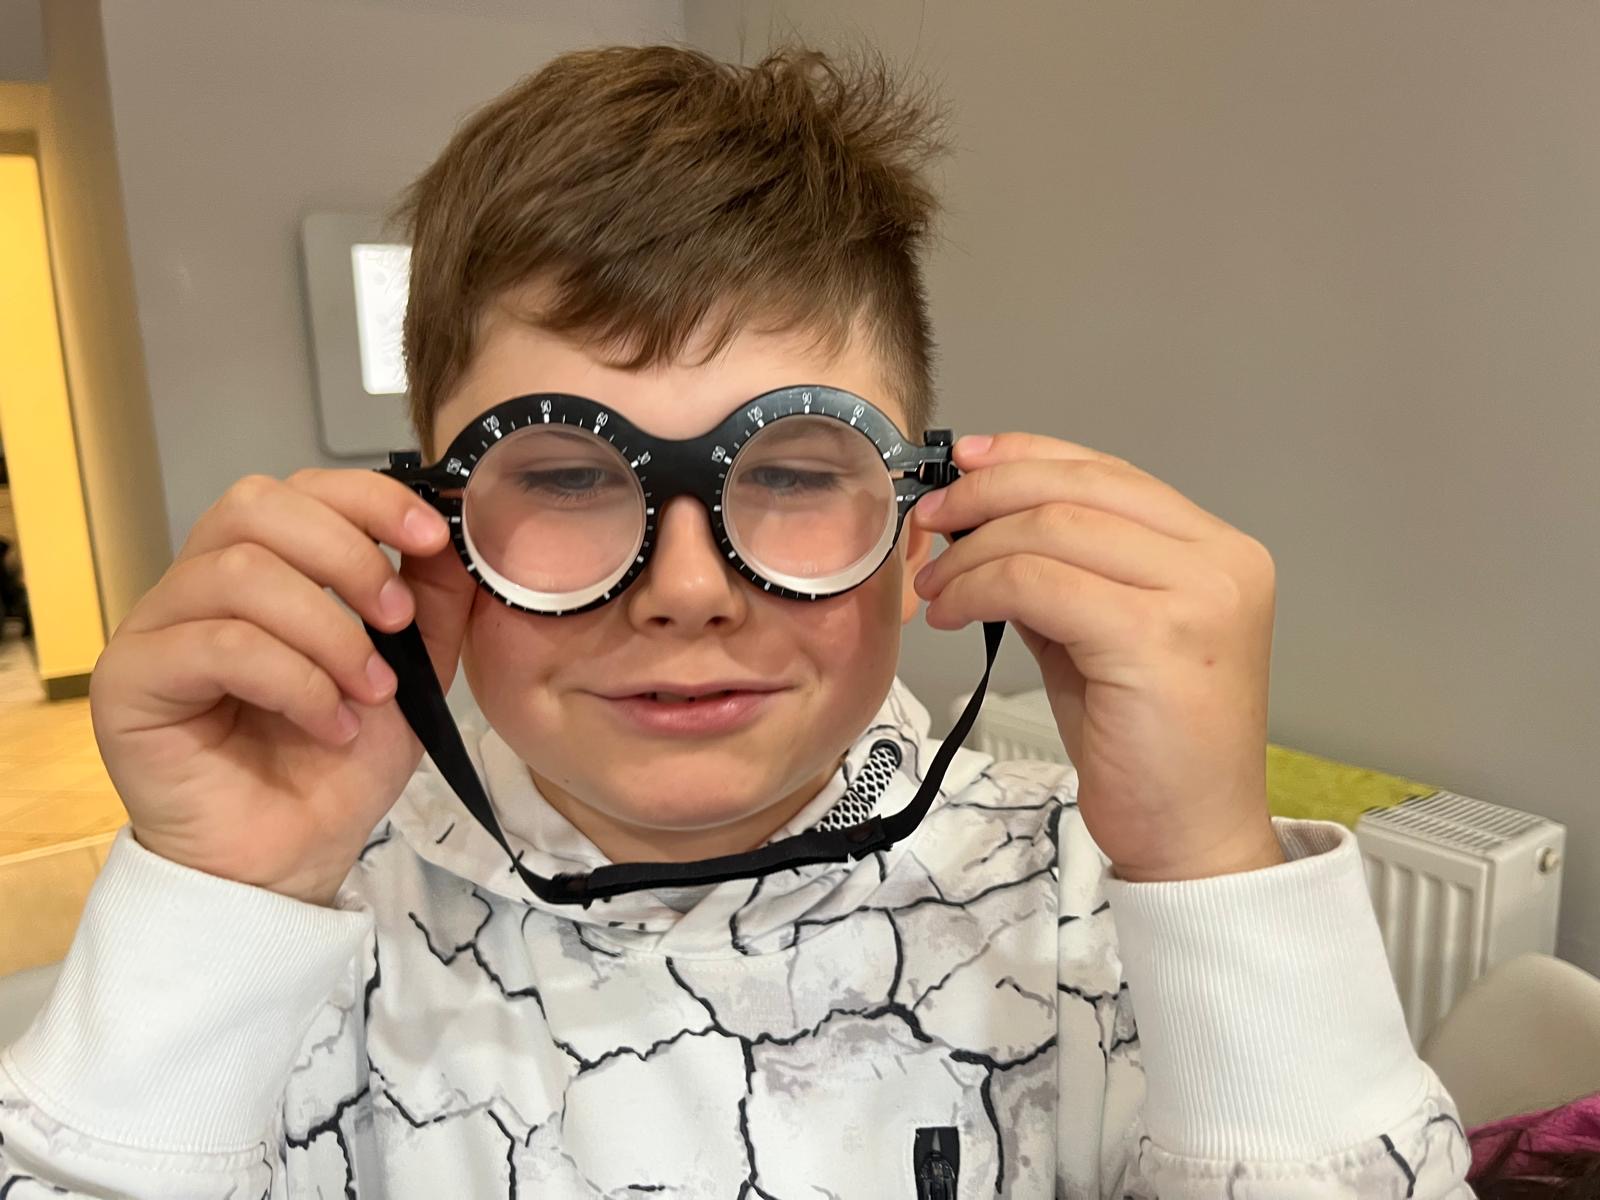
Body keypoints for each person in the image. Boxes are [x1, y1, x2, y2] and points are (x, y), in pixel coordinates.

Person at [0, 44, 1474, 1197]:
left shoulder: (1098, 915)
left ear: (922, 513)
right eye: (563, 474)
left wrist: (1215, 877)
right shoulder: (298, 933)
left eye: (790, 471)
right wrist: (217, 905)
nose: (689, 587)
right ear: (432, 518)